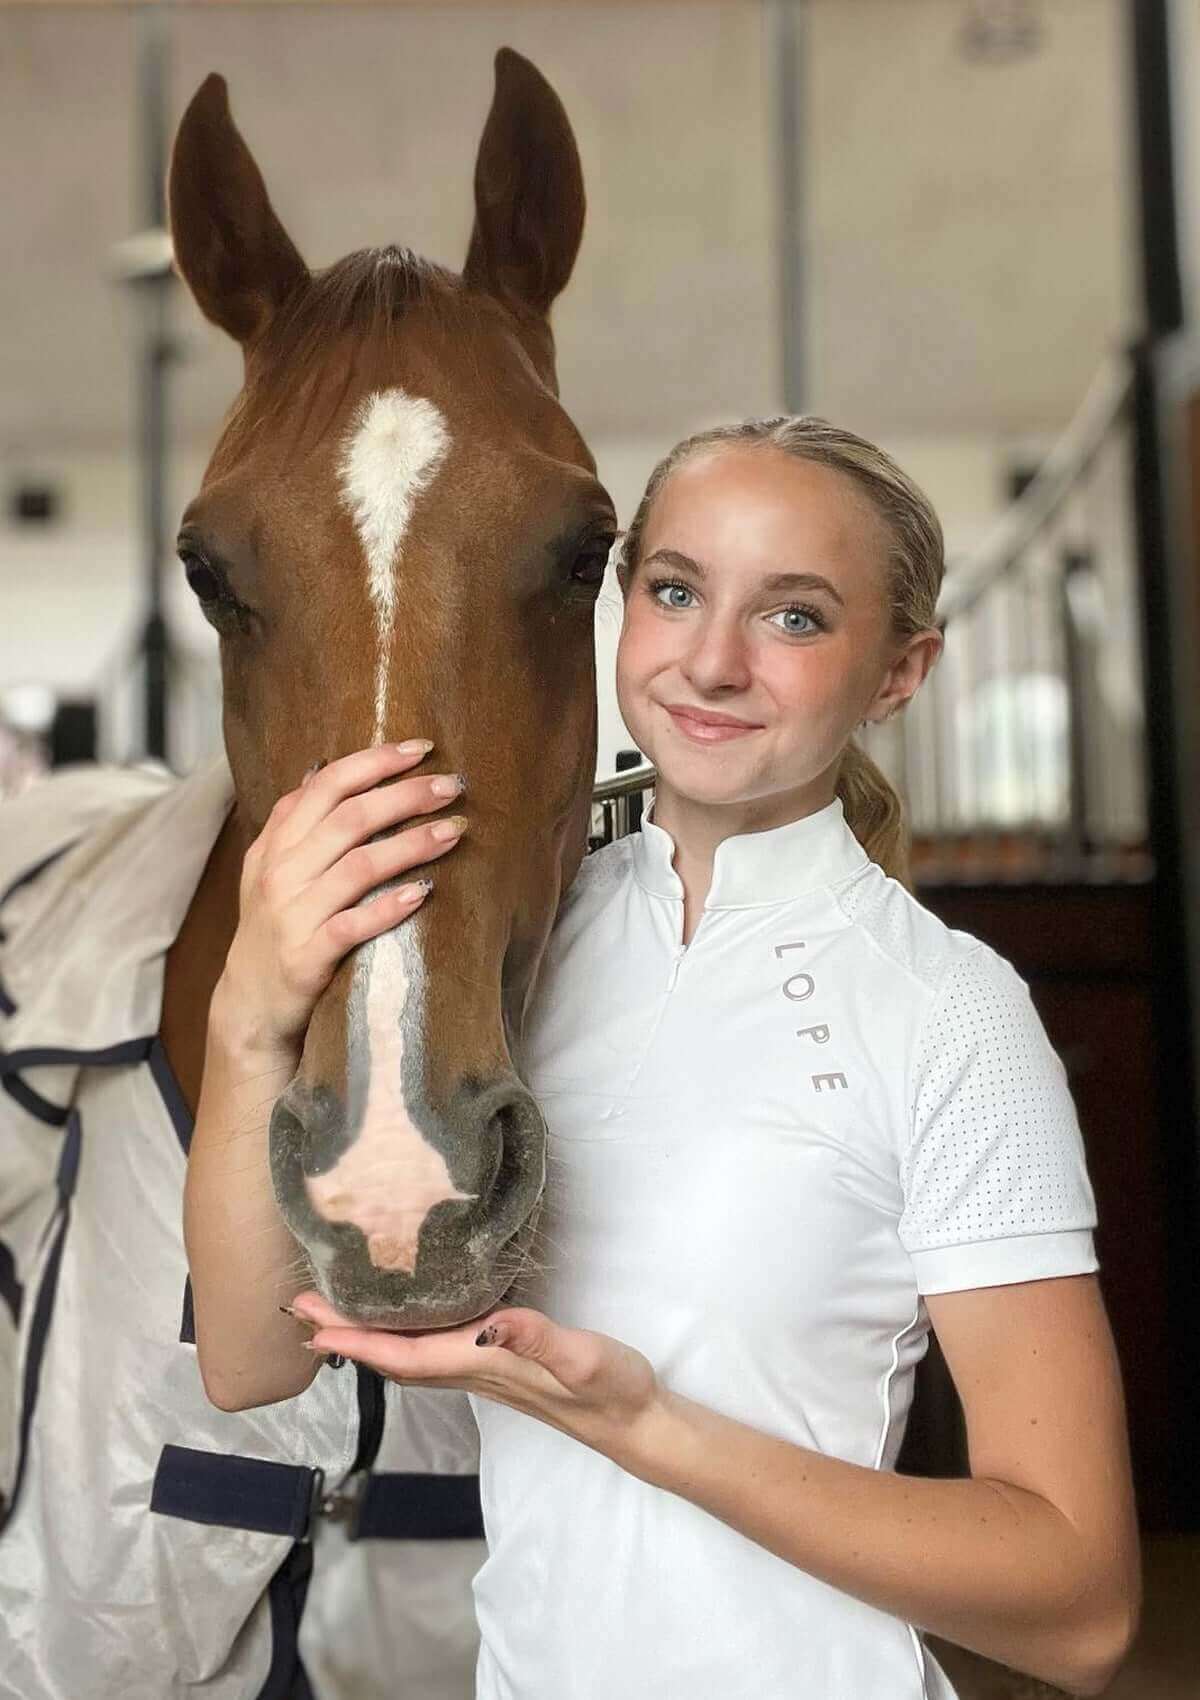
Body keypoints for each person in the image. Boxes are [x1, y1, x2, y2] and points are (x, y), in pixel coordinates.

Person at [186, 417, 1140, 1699]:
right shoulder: (519, 957)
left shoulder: (950, 1012)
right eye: (677, 591)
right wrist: (248, 1016)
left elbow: (1080, 1609)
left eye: (794, 617)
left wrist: (643, 1424)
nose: (713, 662)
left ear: (900, 671)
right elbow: (250, 1363)